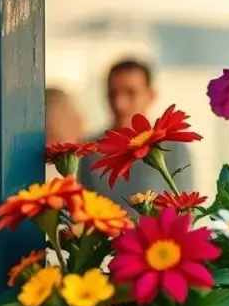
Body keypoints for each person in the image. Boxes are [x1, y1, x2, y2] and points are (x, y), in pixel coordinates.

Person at [80, 59, 193, 203]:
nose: (119, 104)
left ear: (151, 95)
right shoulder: (89, 150)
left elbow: (185, 211)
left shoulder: (174, 148)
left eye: (131, 93)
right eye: (113, 94)